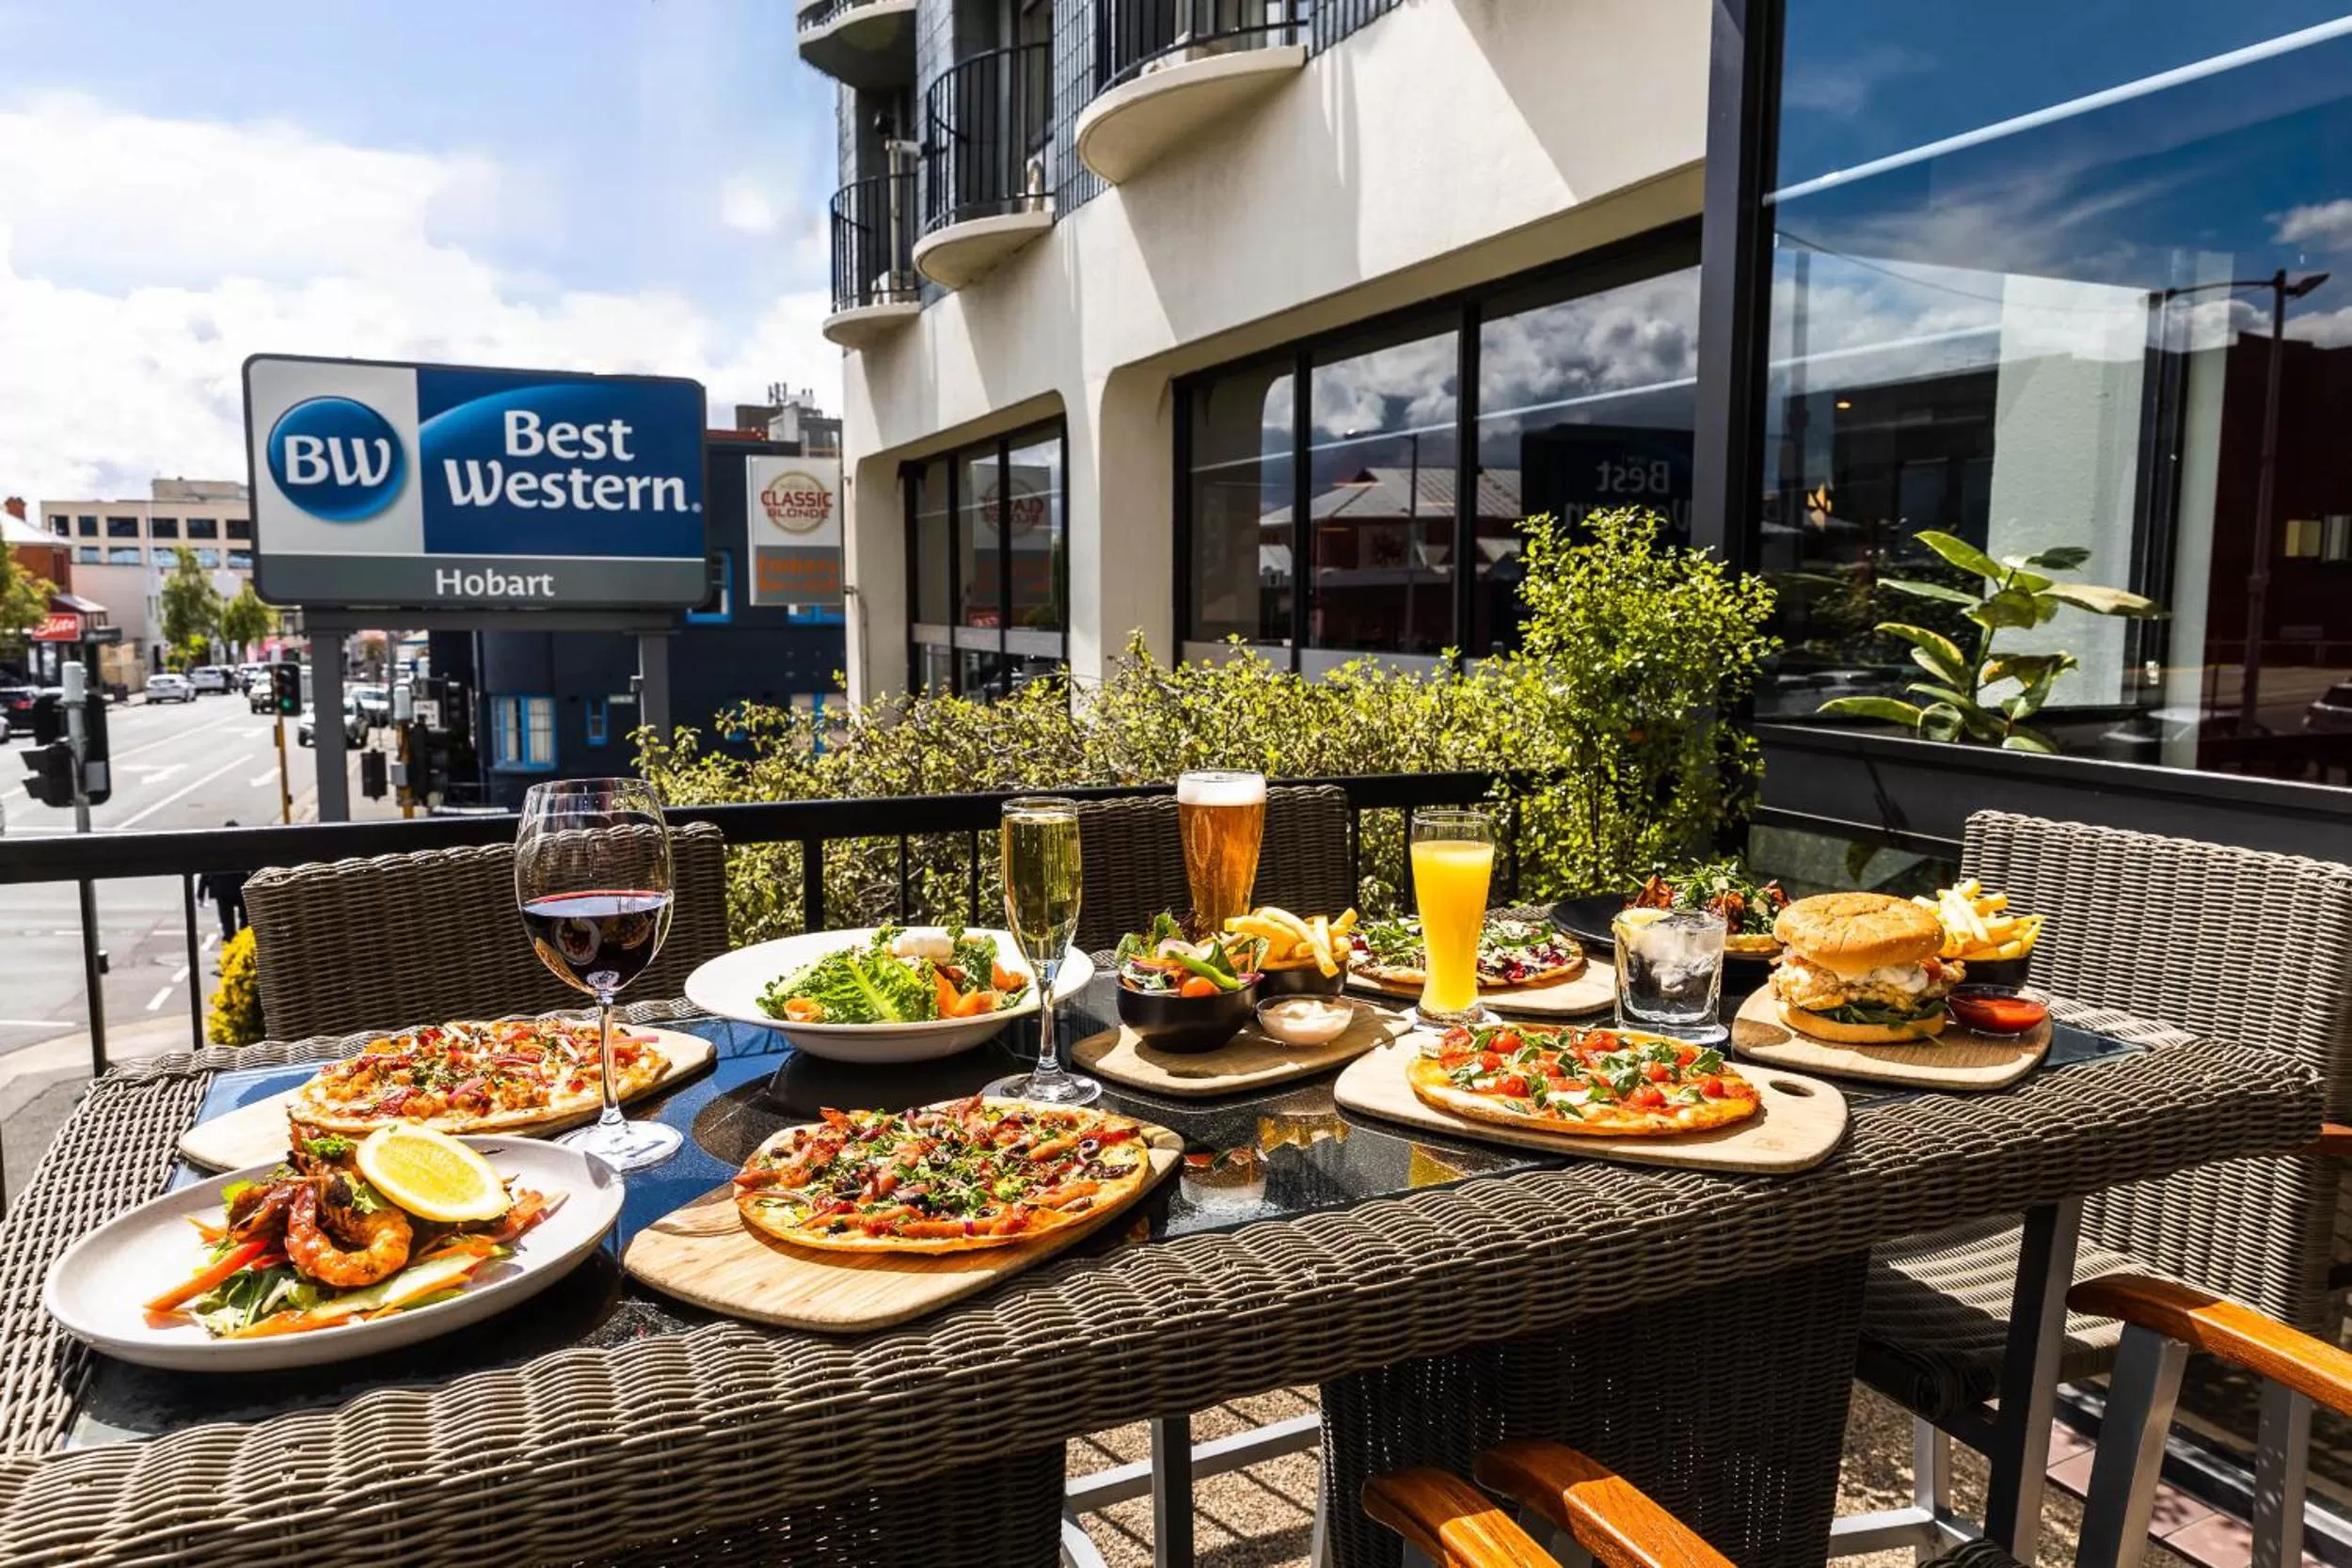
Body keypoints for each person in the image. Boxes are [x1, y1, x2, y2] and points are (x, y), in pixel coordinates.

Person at [197, 820, 249, 949]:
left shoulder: (217, 848)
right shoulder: (244, 847)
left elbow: (206, 872)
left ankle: (231, 948)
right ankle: (242, 945)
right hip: (241, 889)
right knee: (246, 920)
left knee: (227, 925)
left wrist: (201, 893)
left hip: (222, 890)